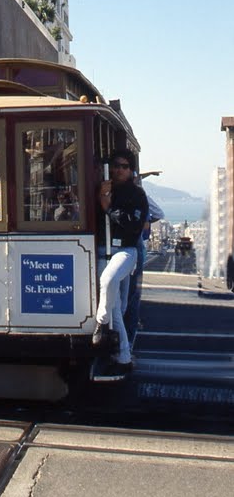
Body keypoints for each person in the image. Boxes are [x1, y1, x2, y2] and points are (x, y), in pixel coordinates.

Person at [92, 149, 148, 380]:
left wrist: (107, 207)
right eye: (116, 165)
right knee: (115, 306)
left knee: (109, 281)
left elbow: (133, 226)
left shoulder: (137, 195)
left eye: (124, 166)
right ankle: (123, 358)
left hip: (126, 251)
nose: (119, 170)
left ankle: (100, 324)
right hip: (103, 250)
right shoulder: (102, 188)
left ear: (131, 170)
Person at [124, 187, 164, 347]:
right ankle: (127, 340)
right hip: (137, 246)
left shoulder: (135, 196)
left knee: (127, 296)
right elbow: (159, 214)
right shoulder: (141, 196)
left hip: (131, 246)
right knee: (132, 294)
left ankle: (126, 341)